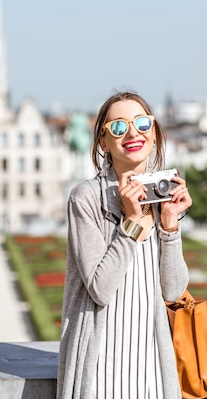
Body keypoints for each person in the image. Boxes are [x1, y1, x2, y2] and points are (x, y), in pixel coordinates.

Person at [57, 91, 192, 398]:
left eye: (143, 123)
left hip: (152, 370)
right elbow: (100, 289)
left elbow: (173, 291)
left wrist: (169, 225)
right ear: (103, 142)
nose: (133, 132)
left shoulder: (162, 194)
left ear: (154, 133)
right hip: (100, 370)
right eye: (118, 126)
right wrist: (130, 224)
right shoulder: (87, 197)